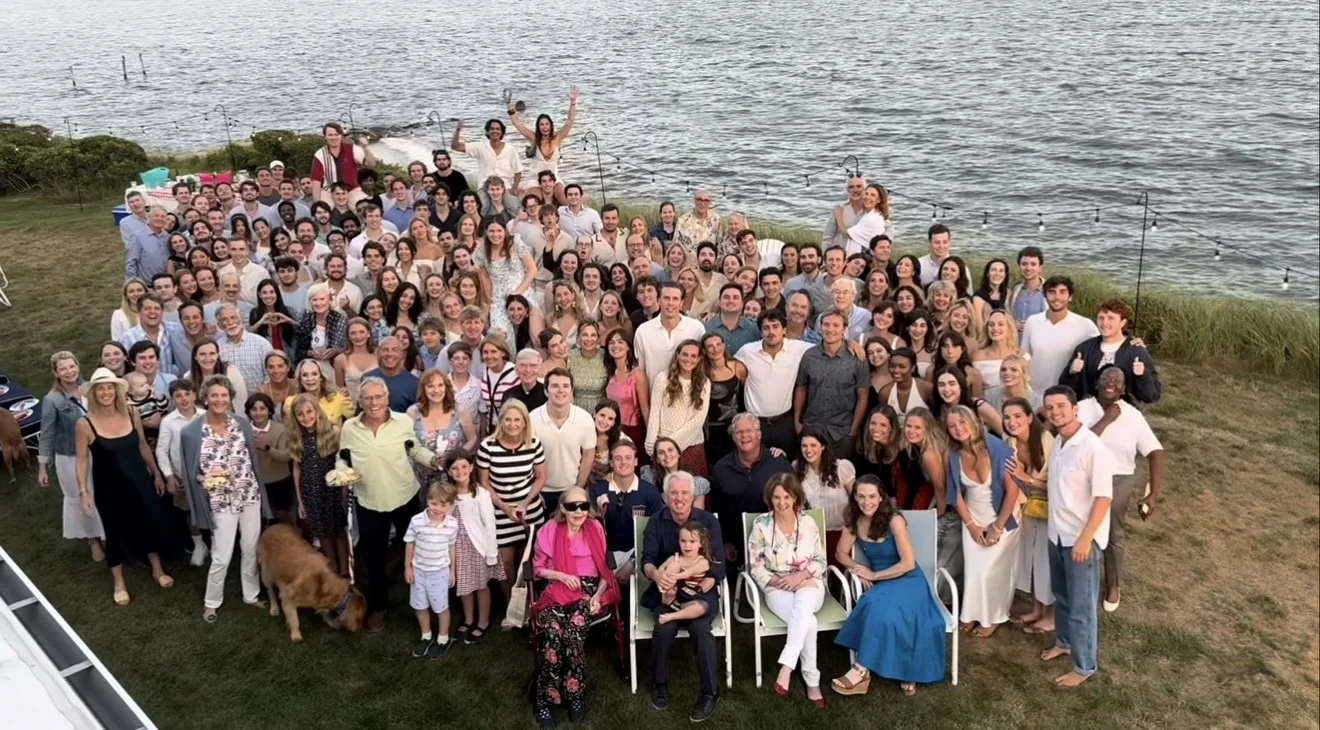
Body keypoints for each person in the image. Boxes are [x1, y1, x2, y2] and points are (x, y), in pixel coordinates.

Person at [338, 377, 441, 632]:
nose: (373, 403)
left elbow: (413, 449)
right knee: (374, 559)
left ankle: (426, 602)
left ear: (387, 399)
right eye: (368, 398)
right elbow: (343, 459)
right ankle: (380, 607)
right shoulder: (350, 427)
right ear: (360, 401)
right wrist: (340, 473)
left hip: (405, 497)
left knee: (420, 552)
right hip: (369, 501)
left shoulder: (403, 422)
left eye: (378, 397)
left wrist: (434, 460)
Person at [831, 476, 947, 697]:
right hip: (884, 582)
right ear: (854, 497)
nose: (867, 502)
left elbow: (908, 563)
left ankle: (864, 671)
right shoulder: (854, 521)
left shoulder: (894, 520)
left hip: (908, 579)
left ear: (881, 497)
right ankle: (865, 672)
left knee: (886, 609)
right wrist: (858, 568)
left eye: (872, 496)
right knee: (873, 603)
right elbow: (840, 553)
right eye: (861, 496)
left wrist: (873, 574)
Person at [74, 368, 178, 606]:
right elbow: (81, 459)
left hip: (140, 480)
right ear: (93, 393)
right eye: (100, 388)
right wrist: (83, 491)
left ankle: (157, 569)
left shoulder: (131, 412)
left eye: (110, 387)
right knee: (115, 530)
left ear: (116, 390)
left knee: (147, 520)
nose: (106, 392)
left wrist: (156, 474)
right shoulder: (85, 424)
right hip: (109, 487)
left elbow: (142, 445)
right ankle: (119, 581)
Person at [179, 375, 273, 622]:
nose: (219, 400)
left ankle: (251, 595)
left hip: (249, 494)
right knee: (222, 553)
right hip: (220, 500)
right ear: (205, 398)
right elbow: (191, 472)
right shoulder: (191, 432)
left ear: (230, 398)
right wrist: (203, 481)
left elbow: (251, 458)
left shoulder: (241, 423)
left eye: (224, 395)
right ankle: (212, 601)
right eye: (214, 395)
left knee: (251, 547)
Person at [1040, 385, 1116, 688]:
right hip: (1056, 535)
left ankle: (1085, 666)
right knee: (1062, 596)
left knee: (1083, 607)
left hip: (1079, 540)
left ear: (1075, 409)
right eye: (1050, 407)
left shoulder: (1092, 448)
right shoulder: (1059, 442)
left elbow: (1103, 499)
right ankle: (1064, 642)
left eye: (1061, 406)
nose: (1055, 412)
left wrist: (1085, 539)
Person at [1077, 367, 1166, 613]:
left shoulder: (1133, 416)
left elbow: (1155, 453)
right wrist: (1106, 420)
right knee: (1082, 528)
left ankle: (1114, 585)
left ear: (1124, 389)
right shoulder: (1082, 409)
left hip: (1118, 479)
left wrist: (1153, 494)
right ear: (1097, 383)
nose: (1112, 383)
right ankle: (1082, 580)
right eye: (1107, 378)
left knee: (1114, 533)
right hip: (1083, 477)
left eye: (1118, 381)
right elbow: (1077, 446)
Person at [530, 485, 620, 726]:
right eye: (572, 506)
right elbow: (538, 570)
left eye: (583, 506)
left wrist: (598, 596)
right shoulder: (549, 530)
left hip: (588, 589)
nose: (579, 511)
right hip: (557, 588)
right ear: (562, 508)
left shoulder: (595, 528)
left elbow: (604, 570)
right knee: (552, 634)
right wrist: (560, 575)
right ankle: (544, 697)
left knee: (572, 634)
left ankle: (575, 693)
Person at [641, 472, 725, 723]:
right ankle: (659, 683)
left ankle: (710, 692)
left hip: (701, 589)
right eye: (674, 493)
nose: (679, 498)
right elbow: (647, 561)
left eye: (684, 493)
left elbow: (718, 565)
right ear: (666, 496)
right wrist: (657, 576)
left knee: (701, 628)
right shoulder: (656, 521)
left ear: (693, 495)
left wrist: (702, 585)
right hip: (666, 589)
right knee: (664, 628)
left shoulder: (708, 521)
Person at [746, 473, 828, 707]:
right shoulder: (762, 525)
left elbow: (821, 561)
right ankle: (812, 681)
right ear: (770, 499)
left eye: (787, 497)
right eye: (776, 497)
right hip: (777, 586)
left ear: (796, 498)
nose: (782, 503)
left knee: (804, 600)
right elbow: (756, 566)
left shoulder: (808, 522)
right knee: (808, 622)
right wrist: (782, 582)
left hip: (809, 583)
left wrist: (800, 576)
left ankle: (787, 666)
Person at [944, 405, 1019, 638]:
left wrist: (997, 528)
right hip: (973, 518)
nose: (958, 429)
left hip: (1003, 518)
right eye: (952, 426)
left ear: (974, 422)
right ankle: (972, 613)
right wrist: (971, 525)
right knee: (974, 571)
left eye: (962, 422)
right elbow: (955, 494)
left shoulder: (998, 449)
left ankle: (994, 616)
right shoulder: (954, 454)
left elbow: (1013, 492)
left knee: (990, 571)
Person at [476, 399, 548, 602]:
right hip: (501, 513)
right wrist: (505, 507)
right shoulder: (487, 446)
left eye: (517, 419)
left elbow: (541, 476)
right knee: (506, 563)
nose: (512, 424)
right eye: (508, 419)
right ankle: (511, 605)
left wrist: (525, 503)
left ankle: (530, 602)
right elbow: (484, 483)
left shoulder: (533, 444)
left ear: (525, 422)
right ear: (500, 421)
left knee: (529, 561)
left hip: (530, 511)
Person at [38, 352, 106, 562]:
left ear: (78, 366)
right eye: (63, 369)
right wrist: (42, 466)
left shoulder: (90, 387)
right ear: (56, 373)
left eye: (72, 366)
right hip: (70, 456)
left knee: (101, 494)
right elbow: (47, 433)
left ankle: (106, 533)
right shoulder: (52, 400)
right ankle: (93, 539)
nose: (69, 372)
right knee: (80, 498)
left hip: (97, 451)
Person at [1002, 396, 1056, 634]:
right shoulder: (1009, 441)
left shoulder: (1047, 442)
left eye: (1017, 416)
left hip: (1051, 509)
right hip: (1026, 508)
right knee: (1031, 559)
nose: (1012, 422)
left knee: (1047, 561)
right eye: (1007, 417)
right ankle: (1037, 610)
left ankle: (1051, 617)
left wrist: (1028, 479)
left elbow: (1060, 486)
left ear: (1030, 418)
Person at [710, 413, 792, 566]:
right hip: (737, 547)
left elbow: (795, 500)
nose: (744, 436)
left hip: (776, 545)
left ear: (759, 434)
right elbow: (718, 509)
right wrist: (725, 541)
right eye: (739, 432)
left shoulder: (778, 462)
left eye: (749, 431)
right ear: (733, 437)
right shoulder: (721, 468)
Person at [444, 451, 505, 643]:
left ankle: (483, 621)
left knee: (481, 586)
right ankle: (469, 618)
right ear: (448, 471)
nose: (459, 471)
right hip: (457, 548)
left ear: (471, 468)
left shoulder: (480, 494)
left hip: (477, 548)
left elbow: (489, 525)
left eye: (464, 466)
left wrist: (491, 553)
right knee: (465, 586)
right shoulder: (448, 494)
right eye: (454, 468)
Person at [285, 393, 349, 575]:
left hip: (332, 489)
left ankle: (345, 570)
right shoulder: (296, 437)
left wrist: (343, 489)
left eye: (309, 412)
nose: (306, 417)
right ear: (296, 417)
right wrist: (300, 499)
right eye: (301, 414)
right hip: (310, 492)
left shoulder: (333, 431)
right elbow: (297, 468)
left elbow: (342, 462)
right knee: (322, 532)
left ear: (316, 411)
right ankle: (333, 569)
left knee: (338, 530)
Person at [736, 311, 813, 458]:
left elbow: (825, 346)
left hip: (785, 423)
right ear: (761, 332)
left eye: (775, 326)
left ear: (784, 330)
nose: (771, 332)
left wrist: (849, 342)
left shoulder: (798, 348)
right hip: (755, 424)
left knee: (787, 466)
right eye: (766, 328)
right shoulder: (747, 351)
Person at [794, 310, 869, 459]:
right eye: (826, 324)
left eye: (836, 325)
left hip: (842, 433)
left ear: (844, 329)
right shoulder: (809, 356)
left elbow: (863, 396)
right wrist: (797, 422)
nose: (830, 329)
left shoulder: (857, 358)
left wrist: (853, 431)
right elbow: (801, 388)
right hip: (812, 429)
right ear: (820, 327)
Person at [1059, 299, 1162, 405]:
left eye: (1111, 318)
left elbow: (1152, 396)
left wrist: (1143, 376)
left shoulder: (1137, 351)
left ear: (1122, 322)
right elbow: (1065, 389)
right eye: (1101, 318)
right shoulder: (1084, 349)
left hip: (1124, 413)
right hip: (1089, 411)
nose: (1105, 323)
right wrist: (1071, 373)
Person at [404, 481, 460, 659]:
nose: (437, 508)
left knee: (441, 607)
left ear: (450, 506)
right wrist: (408, 567)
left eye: (443, 505)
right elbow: (410, 543)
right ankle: (426, 635)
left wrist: (452, 571)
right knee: (420, 606)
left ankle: (443, 638)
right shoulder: (417, 521)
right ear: (428, 500)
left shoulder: (452, 524)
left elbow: (452, 547)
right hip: (419, 571)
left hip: (440, 571)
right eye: (434, 503)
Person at [530, 369, 596, 514]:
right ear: (546, 391)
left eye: (565, 386)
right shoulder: (532, 419)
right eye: (555, 386)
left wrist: (578, 487)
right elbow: (527, 458)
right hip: (541, 492)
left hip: (571, 489)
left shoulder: (584, 419)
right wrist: (533, 492)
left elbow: (588, 454)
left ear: (572, 390)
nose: (560, 390)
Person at [1019, 276, 1099, 390]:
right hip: (1034, 391)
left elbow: (1105, 346)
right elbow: (1025, 355)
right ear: (1045, 295)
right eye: (1052, 292)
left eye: (1062, 292)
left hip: (1066, 394)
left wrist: (1131, 342)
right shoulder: (1032, 321)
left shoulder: (1086, 325)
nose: (1057, 297)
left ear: (1070, 296)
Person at [644, 340, 711, 476]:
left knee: (692, 490)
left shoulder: (704, 383)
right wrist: (652, 443)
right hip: (663, 446)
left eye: (693, 356)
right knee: (667, 490)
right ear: (677, 356)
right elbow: (655, 413)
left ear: (699, 359)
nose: (688, 359)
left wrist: (671, 444)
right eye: (685, 355)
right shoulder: (663, 378)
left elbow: (698, 419)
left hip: (691, 444)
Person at [796, 427, 857, 558]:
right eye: (804, 446)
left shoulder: (841, 467)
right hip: (812, 536)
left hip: (841, 534)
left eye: (813, 445)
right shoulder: (796, 468)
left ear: (823, 446)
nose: (808, 450)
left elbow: (856, 499)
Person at [634, 282, 706, 383]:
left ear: (681, 303)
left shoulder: (697, 328)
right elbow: (640, 371)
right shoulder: (643, 331)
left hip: (688, 395)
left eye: (675, 299)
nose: (670, 303)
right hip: (653, 395)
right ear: (659, 301)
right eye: (666, 298)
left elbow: (701, 366)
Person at [654, 521, 718, 627]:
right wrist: (662, 577)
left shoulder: (702, 561)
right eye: (683, 541)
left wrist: (676, 576)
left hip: (695, 596)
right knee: (673, 565)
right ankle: (668, 599)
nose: (687, 545)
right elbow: (661, 568)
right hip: (679, 594)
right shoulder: (675, 559)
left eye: (692, 541)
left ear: (701, 543)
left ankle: (672, 615)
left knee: (701, 607)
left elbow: (689, 572)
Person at [451, 119, 523, 204]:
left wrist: (514, 188)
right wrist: (458, 129)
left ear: (502, 132)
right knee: (483, 207)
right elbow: (455, 146)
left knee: (514, 206)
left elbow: (518, 171)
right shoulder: (480, 147)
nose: (495, 131)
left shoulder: (510, 150)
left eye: (497, 129)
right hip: (484, 187)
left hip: (505, 187)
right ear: (488, 132)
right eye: (492, 129)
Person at [604, 329, 650, 453]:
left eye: (620, 342)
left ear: (628, 346)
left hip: (633, 431)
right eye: (611, 343)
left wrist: (650, 440)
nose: (615, 346)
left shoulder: (637, 374)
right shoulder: (610, 374)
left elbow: (645, 409)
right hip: (613, 430)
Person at [309, 123, 376, 203]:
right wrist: (317, 203)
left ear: (341, 136)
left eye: (336, 134)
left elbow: (371, 165)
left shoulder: (352, 149)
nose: (333, 138)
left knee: (364, 208)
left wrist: (365, 147)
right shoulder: (319, 154)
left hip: (352, 190)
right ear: (325, 137)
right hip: (329, 191)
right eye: (330, 135)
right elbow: (316, 182)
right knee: (323, 211)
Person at [215, 304, 274, 389]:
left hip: (258, 399)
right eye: (225, 319)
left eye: (233, 317)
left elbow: (270, 374)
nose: (230, 322)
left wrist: (261, 395)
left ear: (241, 319)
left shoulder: (262, 344)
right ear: (219, 325)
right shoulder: (217, 348)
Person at [364, 337, 420, 413]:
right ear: (378, 353)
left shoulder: (414, 383)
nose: (390, 354)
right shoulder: (367, 378)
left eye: (395, 350)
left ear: (402, 354)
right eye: (385, 350)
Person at [675, 191, 722, 257]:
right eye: (699, 200)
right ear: (694, 201)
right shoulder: (682, 220)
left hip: (708, 262)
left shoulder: (715, 220)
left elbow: (719, 244)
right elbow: (676, 245)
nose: (702, 203)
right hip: (688, 261)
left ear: (709, 203)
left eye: (706, 201)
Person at [1007, 246, 1046, 326]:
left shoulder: (1049, 291)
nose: (1028, 268)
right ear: (1019, 267)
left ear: (1040, 268)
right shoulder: (1015, 291)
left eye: (1033, 264)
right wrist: (1013, 324)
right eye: (1024, 264)